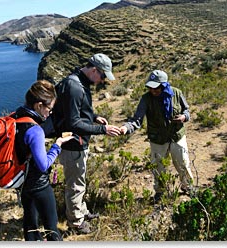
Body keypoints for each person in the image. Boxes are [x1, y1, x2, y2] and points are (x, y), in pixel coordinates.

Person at [44, 53, 121, 234]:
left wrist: (94, 117)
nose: (102, 81)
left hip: (75, 143)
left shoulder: (77, 81)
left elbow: (75, 111)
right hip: (73, 145)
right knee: (75, 185)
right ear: (94, 70)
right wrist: (103, 130)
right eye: (102, 76)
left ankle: (82, 211)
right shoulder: (76, 87)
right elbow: (73, 123)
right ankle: (76, 223)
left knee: (79, 180)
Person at [120, 70, 194, 202]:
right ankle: (160, 192)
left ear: (164, 85)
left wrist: (184, 117)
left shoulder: (176, 93)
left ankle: (188, 187)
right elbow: (137, 119)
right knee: (159, 167)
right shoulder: (146, 99)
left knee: (183, 163)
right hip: (158, 140)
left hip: (177, 136)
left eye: (156, 87)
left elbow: (186, 110)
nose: (153, 90)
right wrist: (126, 128)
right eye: (150, 87)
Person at [13, 80, 74, 241]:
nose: (49, 113)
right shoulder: (35, 130)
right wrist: (57, 145)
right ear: (39, 105)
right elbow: (43, 165)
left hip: (22, 182)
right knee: (51, 228)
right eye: (49, 109)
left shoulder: (16, 117)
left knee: (30, 226)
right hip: (39, 185)